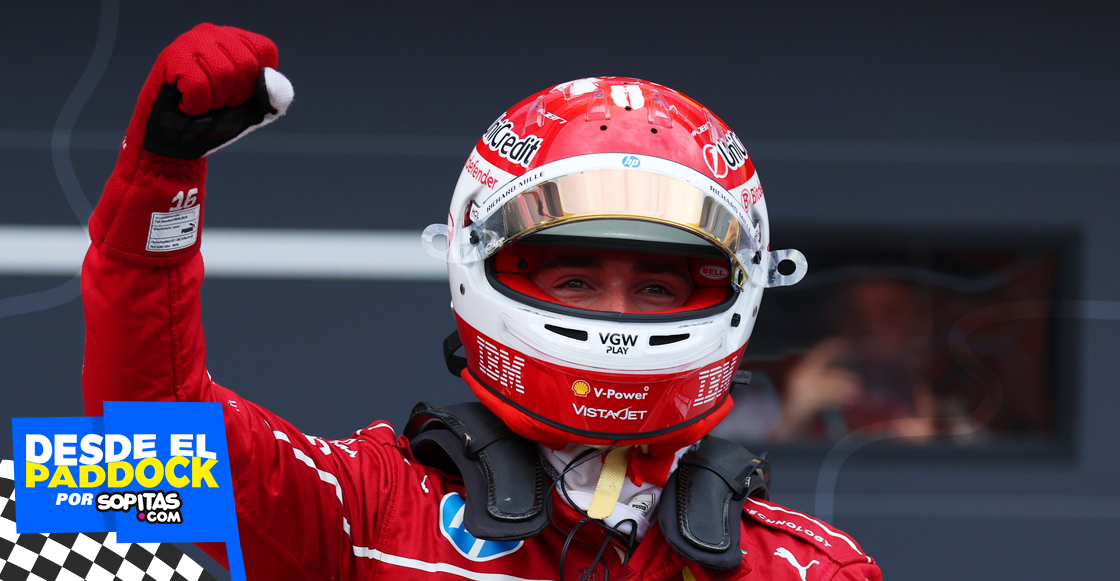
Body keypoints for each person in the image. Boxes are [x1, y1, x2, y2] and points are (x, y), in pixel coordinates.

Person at [81, 24, 882, 581]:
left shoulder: (813, 567)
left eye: (656, 286)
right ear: (480, 267)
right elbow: (140, 441)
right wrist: (161, 182)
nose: (615, 313)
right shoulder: (370, 512)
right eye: (575, 280)